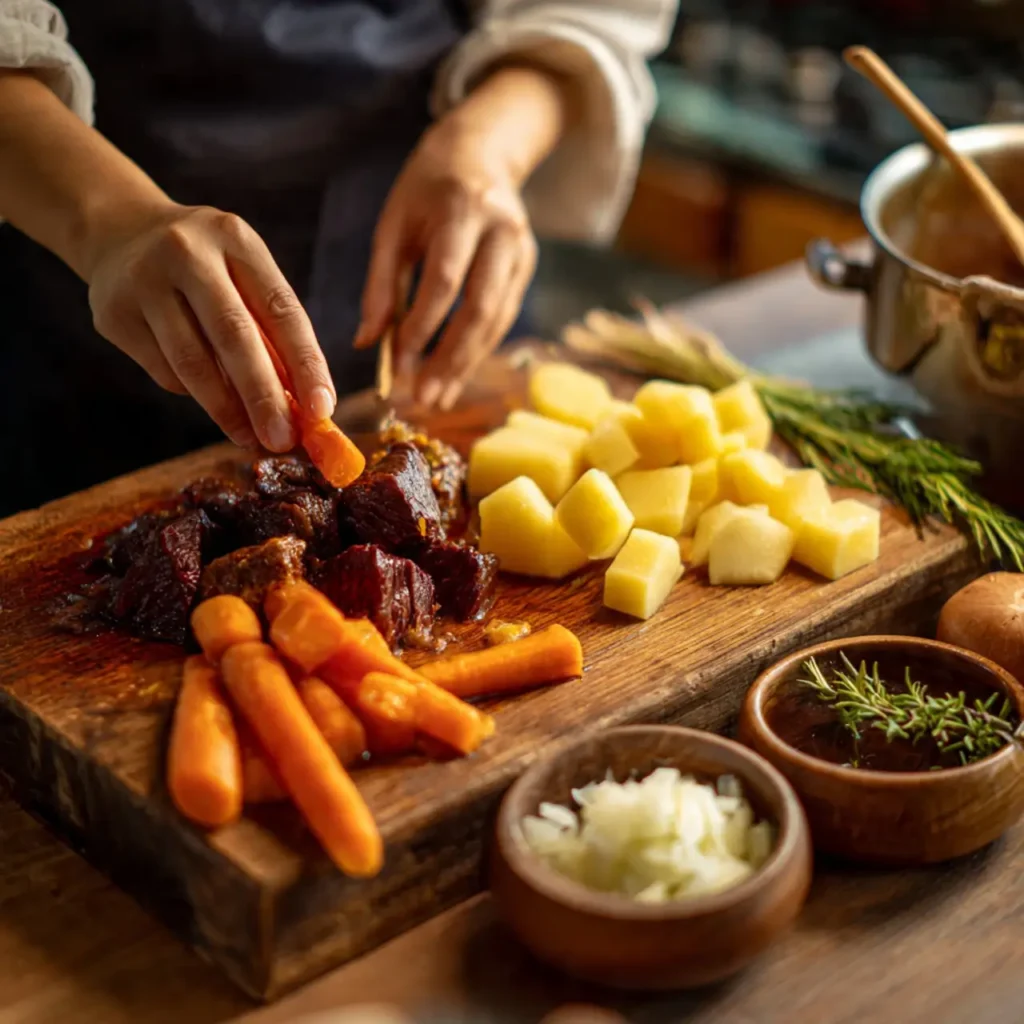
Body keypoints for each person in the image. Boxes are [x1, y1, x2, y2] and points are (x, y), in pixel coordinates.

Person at [0, 0, 675, 516]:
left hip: (437, 238)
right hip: (72, 294)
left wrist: (488, 149)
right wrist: (111, 221)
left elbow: (594, 10)